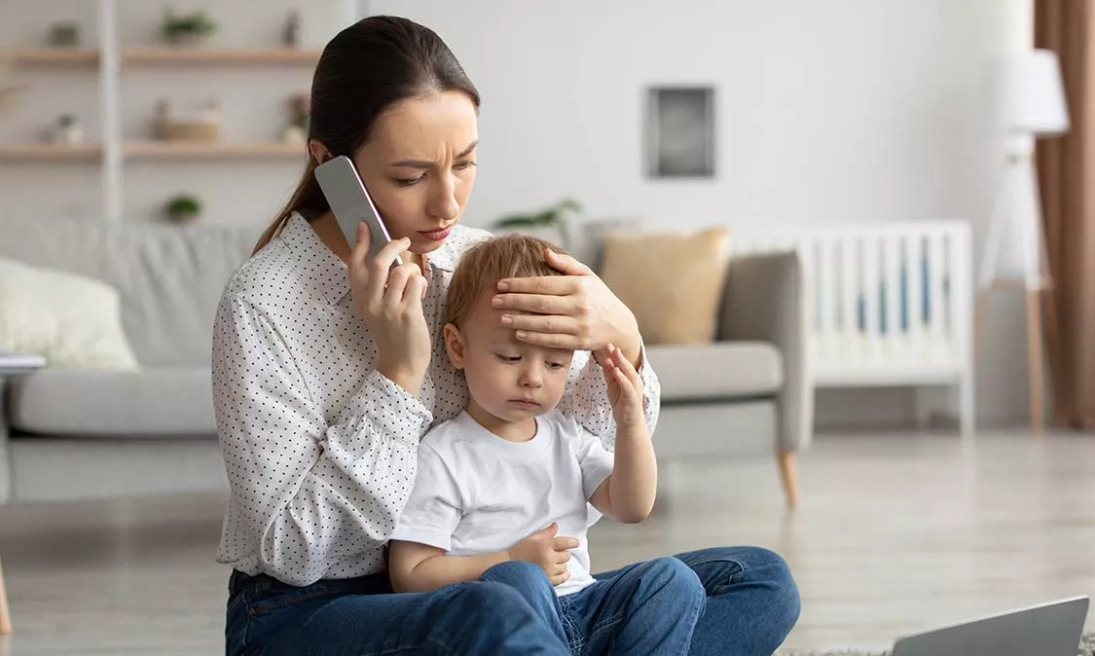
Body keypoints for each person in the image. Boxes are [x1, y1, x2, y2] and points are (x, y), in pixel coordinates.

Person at [214, 14, 800, 656]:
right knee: (492, 613)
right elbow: (296, 551)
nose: (448, 205)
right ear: (331, 167)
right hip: (313, 610)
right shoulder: (263, 302)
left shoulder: (479, 263)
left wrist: (624, 337)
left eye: (464, 164)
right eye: (410, 177)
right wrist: (398, 375)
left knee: (757, 580)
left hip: (513, 586)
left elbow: (579, 453)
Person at [388, 234, 704, 654]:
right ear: (458, 347)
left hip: (586, 606)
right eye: (510, 358)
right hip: (506, 618)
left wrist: (630, 425)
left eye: (555, 363)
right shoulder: (443, 455)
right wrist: (506, 561)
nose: (533, 378)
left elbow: (632, 507)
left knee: (672, 578)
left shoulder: (567, 437)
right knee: (519, 580)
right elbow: (409, 573)